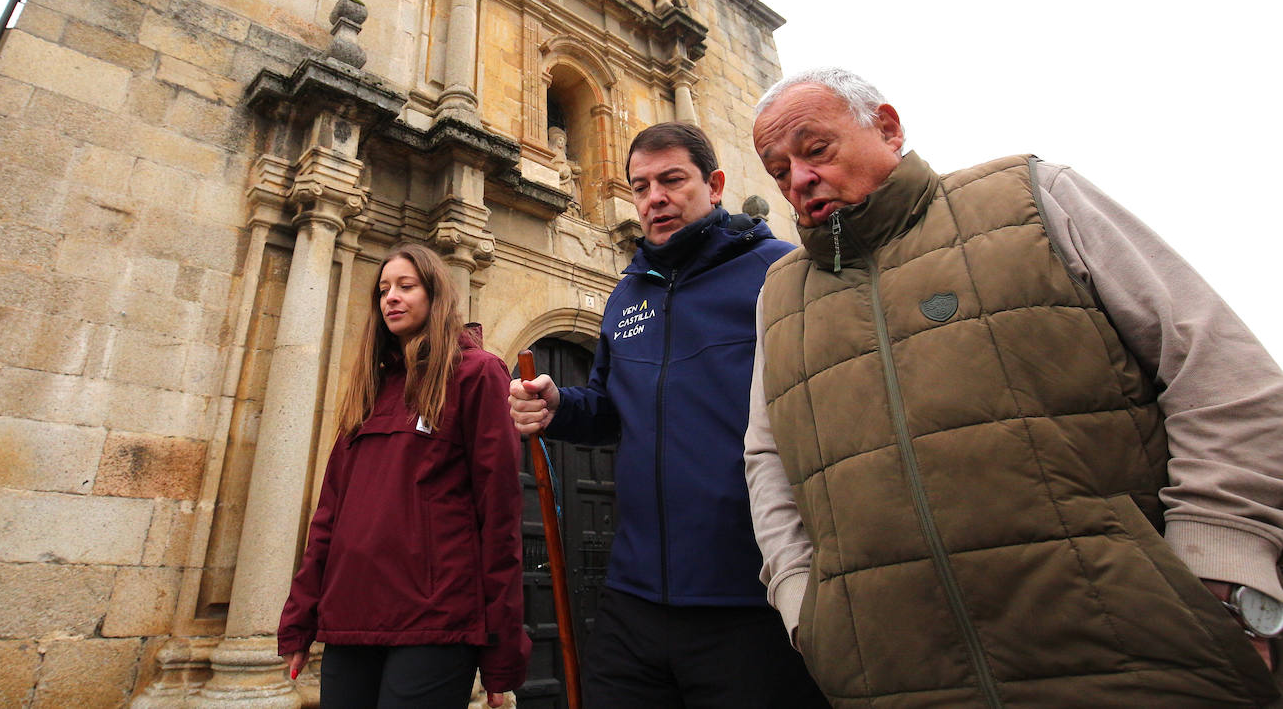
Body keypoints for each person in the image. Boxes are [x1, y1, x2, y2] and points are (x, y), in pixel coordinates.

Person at [745, 66, 1283, 708]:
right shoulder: (780, 295)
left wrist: (1224, 568)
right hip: (897, 681)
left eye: (816, 149)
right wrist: (807, 611)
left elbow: (1218, 369)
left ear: (887, 128)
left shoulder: (1030, 197)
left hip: (1147, 660)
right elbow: (768, 462)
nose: (798, 179)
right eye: (778, 170)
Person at [510, 122, 828, 709]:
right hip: (633, 599)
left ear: (716, 184)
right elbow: (609, 408)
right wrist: (559, 406)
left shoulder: (779, 273)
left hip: (749, 599)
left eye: (671, 180)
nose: (654, 196)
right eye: (640, 186)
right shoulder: (627, 295)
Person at [279, 243, 529, 709]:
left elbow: (498, 517)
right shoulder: (371, 386)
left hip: (435, 622)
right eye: (383, 289)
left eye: (406, 286)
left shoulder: (476, 374)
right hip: (350, 616)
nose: (391, 297)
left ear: (436, 294)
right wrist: (301, 620)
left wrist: (502, 656)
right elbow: (329, 516)